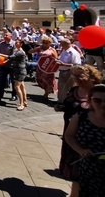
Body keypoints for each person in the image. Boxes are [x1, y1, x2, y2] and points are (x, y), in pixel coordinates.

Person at [59, 65, 102, 197]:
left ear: (91, 77)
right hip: (70, 132)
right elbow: (68, 104)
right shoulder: (74, 90)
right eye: (74, 76)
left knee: (81, 170)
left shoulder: (98, 93)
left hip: (87, 136)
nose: (76, 79)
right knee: (72, 167)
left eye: (79, 76)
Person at [57, 38, 82, 106]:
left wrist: (64, 64)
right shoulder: (64, 50)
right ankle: (61, 101)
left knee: (70, 87)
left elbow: (76, 64)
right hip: (62, 71)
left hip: (69, 71)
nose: (60, 45)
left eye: (61, 43)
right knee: (61, 87)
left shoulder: (73, 52)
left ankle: (71, 101)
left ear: (65, 44)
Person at [5, 39, 28, 110]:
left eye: (17, 42)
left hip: (20, 71)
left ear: (21, 44)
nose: (15, 43)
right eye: (15, 42)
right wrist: (5, 61)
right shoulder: (16, 50)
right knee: (22, 87)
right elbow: (11, 59)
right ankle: (25, 101)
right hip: (17, 70)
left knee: (16, 87)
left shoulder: (21, 52)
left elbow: (11, 57)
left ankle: (21, 104)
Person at [0, 32, 17, 101]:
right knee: (2, 81)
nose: (4, 36)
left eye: (6, 35)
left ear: (11, 37)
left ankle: (14, 95)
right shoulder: (1, 44)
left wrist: (6, 60)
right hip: (3, 66)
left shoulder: (14, 44)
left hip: (12, 66)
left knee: (13, 81)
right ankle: (0, 94)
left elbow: (14, 55)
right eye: (4, 35)